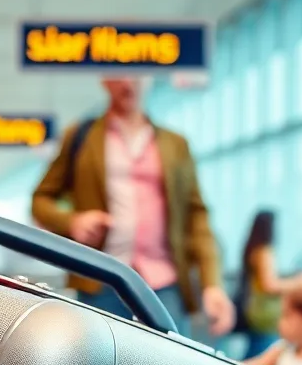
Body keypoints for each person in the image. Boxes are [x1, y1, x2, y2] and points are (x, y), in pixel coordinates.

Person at [31, 76, 234, 336]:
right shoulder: (82, 137)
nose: (128, 83)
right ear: (105, 80)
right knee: (102, 359)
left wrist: (212, 283)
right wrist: (72, 222)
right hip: (101, 279)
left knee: (168, 360)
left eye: (136, 74)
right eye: (120, 73)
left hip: (165, 284)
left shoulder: (175, 144)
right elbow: (41, 200)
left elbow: (196, 217)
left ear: (149, 78)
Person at [237, 210, 302, 358]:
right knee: (262, 357)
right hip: (266, 314)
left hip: (255, 310)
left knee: (255, 353)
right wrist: (301, 283)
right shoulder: (265, 251)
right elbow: (270, 285)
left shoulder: (253, 249)